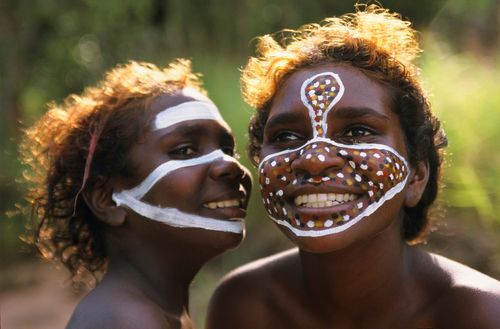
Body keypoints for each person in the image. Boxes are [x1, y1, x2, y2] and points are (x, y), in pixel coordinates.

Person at [206, 5, 500, 329]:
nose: (313, 160)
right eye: (286, 136)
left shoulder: (478, 314)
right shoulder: (244, 305)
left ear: (417, 175)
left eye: (357, 132)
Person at [20, 59, 252, 329]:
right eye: (185, 150)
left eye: (226, 149)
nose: (231, 165)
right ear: (107, 199)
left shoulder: (155, 312)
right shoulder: (126, 319)